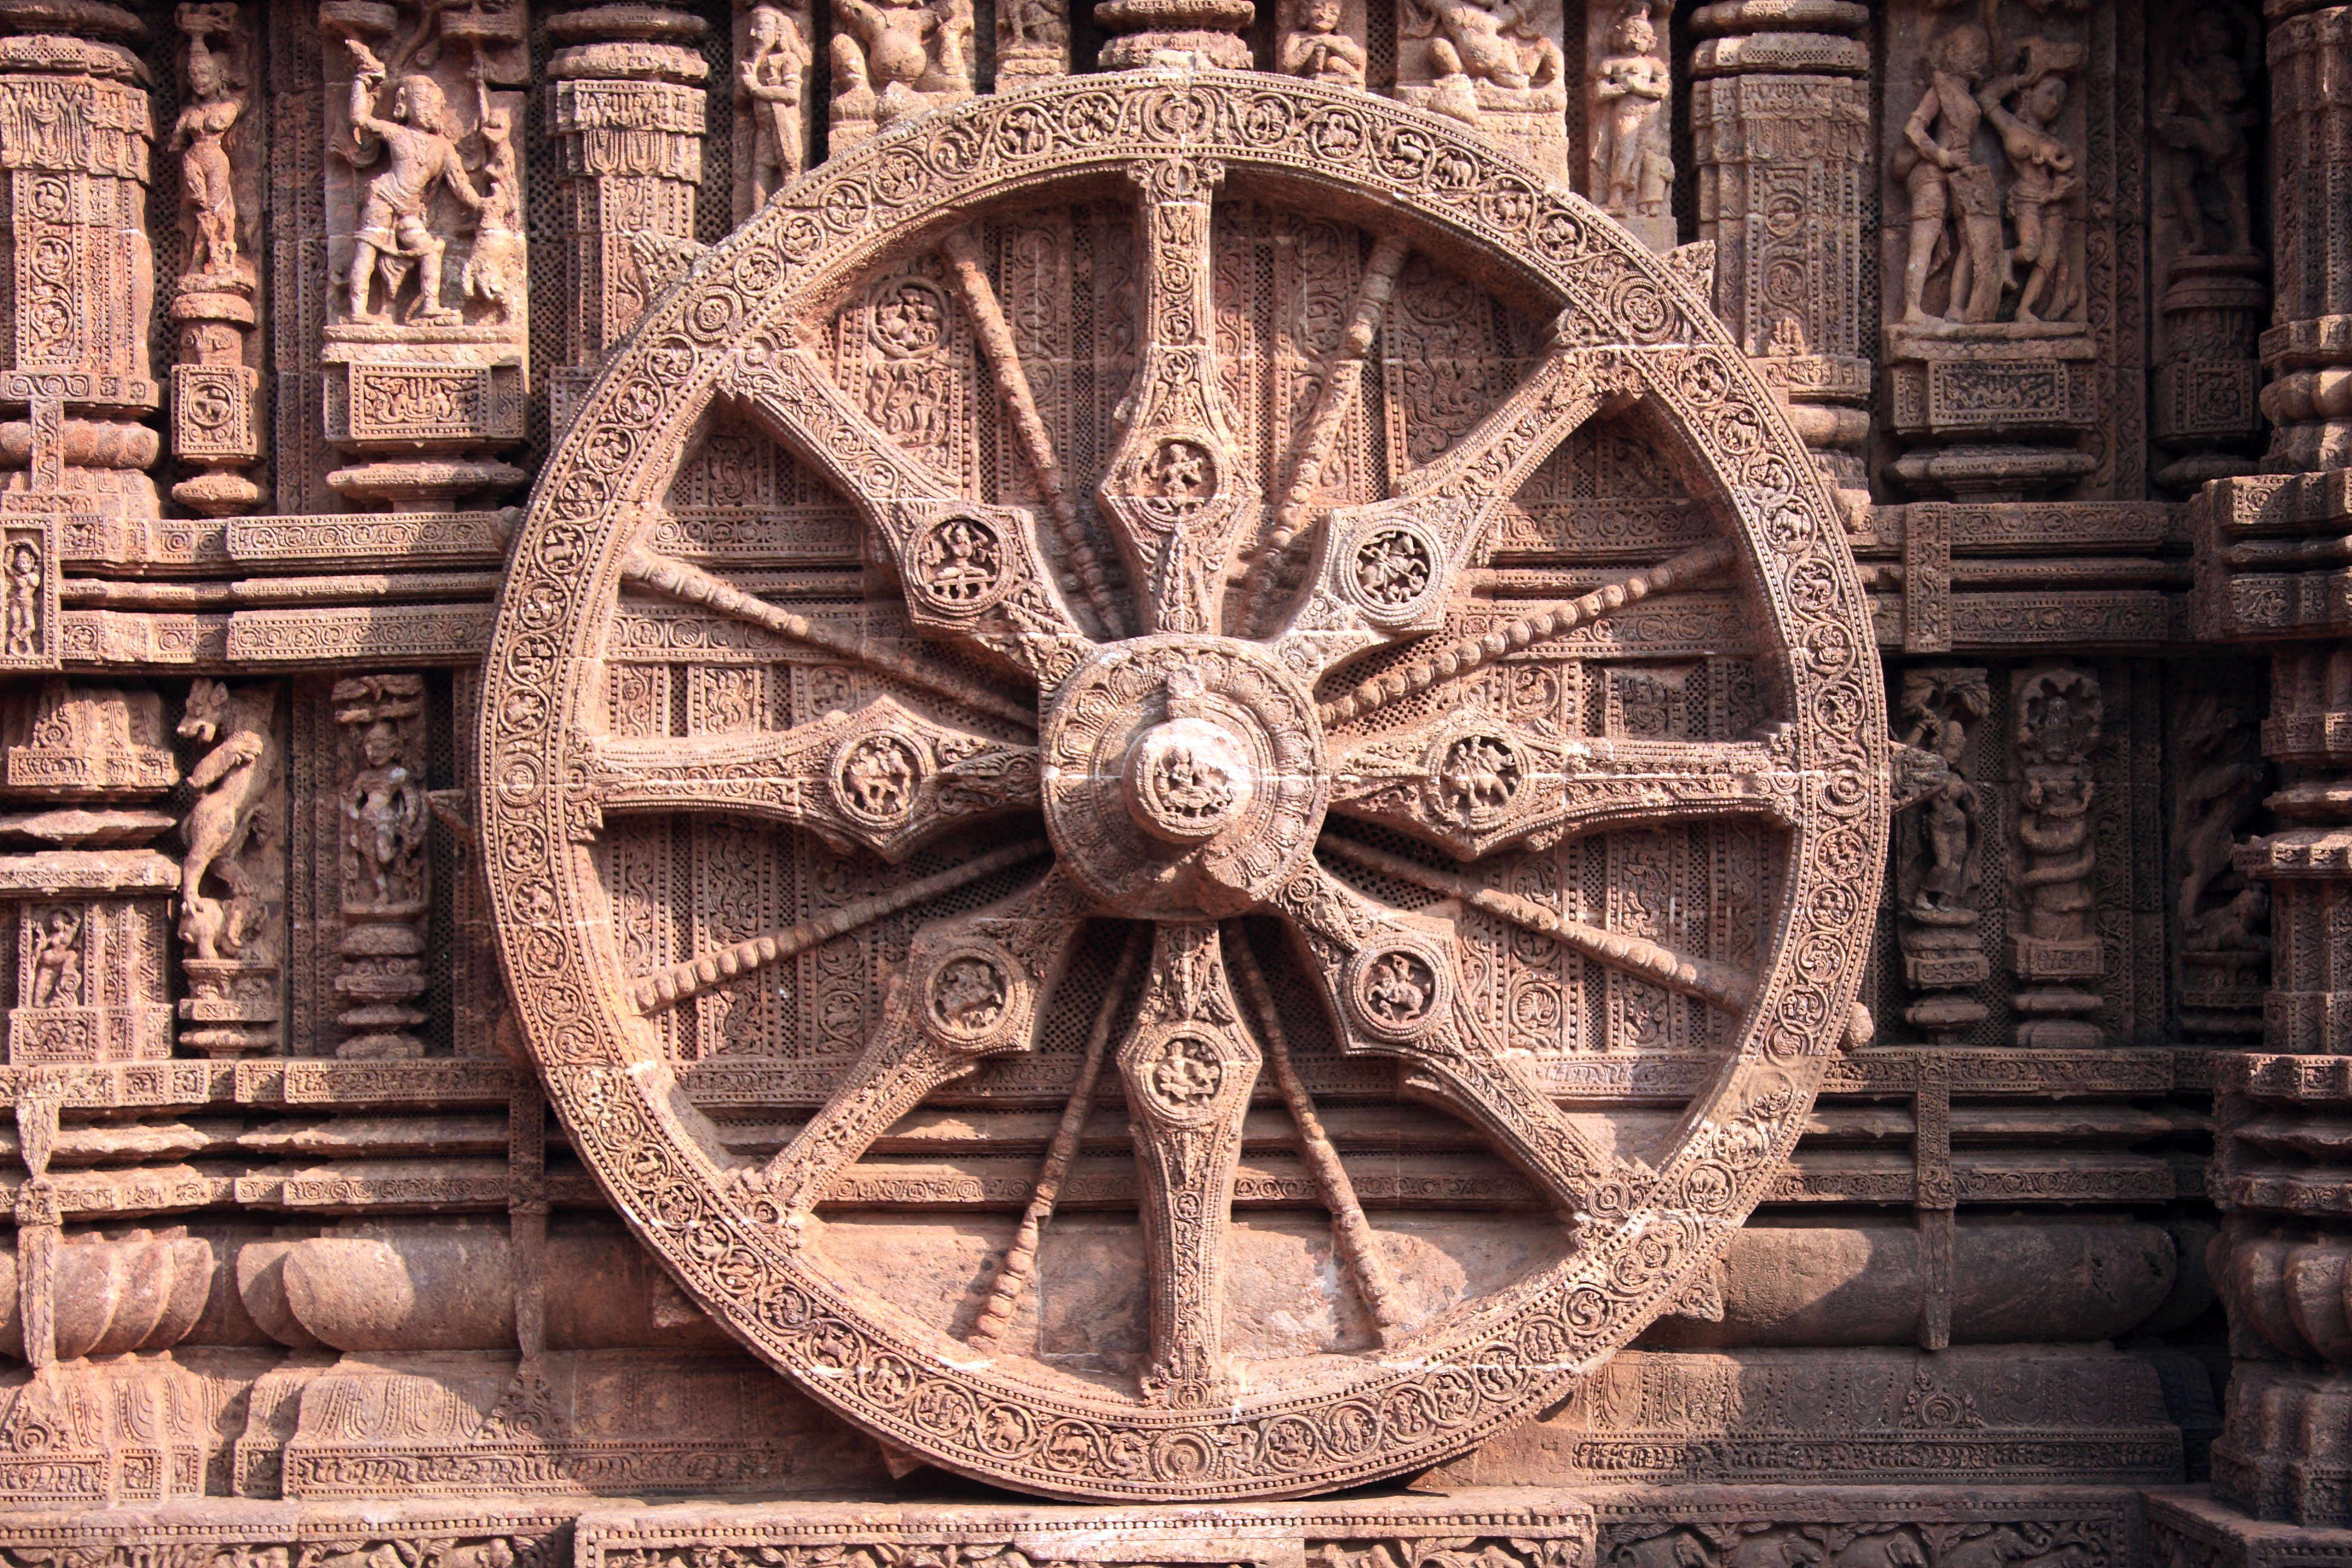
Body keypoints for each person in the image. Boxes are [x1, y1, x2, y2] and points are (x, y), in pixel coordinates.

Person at [343, 42, 483, 324]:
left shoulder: (443, 148)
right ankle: (358, 311)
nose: (427, 109)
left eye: (433, 104)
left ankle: (430, 304)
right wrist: (362, 79)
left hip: (409, 211)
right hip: (383, 199)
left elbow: (460, 185)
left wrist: (483, 204)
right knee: (367, 248)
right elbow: (359, 118)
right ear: (404, 106)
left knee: (431, 250)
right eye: (421, 102)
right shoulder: (397, 134)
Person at [1897, 23, 2001, 324]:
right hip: (1931, 173)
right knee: (1924, 239)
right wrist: (1942, 155)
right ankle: (1913, 310)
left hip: (1959, 176)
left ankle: (1957, 308)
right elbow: (1913, 129)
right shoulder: (1940, 88)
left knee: (1970, 241)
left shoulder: (1964, 93)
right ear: (1956, 54)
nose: (1979, 57)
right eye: (1973, 50)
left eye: (1981, 51)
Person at [738, 2, 806, 206]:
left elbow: (792, 94)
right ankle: (758, 217)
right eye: (752, 28)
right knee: (761, 169)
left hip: (783, 123)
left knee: (790, 166)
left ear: (778, 32)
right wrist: (745, 86)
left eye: (761, 27)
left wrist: (757, 89)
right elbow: (739, 101)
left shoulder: (788, 59)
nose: (753, 34)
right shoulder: (753, 63)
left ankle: (789, 213)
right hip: (763, 128)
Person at [1282, 0, 1366, 87]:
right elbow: (1287, 66)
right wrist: (1312, 43)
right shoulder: (1297, 37)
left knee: (1334, 62)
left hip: (1340, 82)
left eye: (1333, 12)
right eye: (1317, 8)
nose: (1324, 15)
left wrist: (1330, 43)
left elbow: (1358, 61)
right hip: (1304, 83)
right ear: (1304, 10)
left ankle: (1335, 80)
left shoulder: (1343, 40)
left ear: (1340, 17)